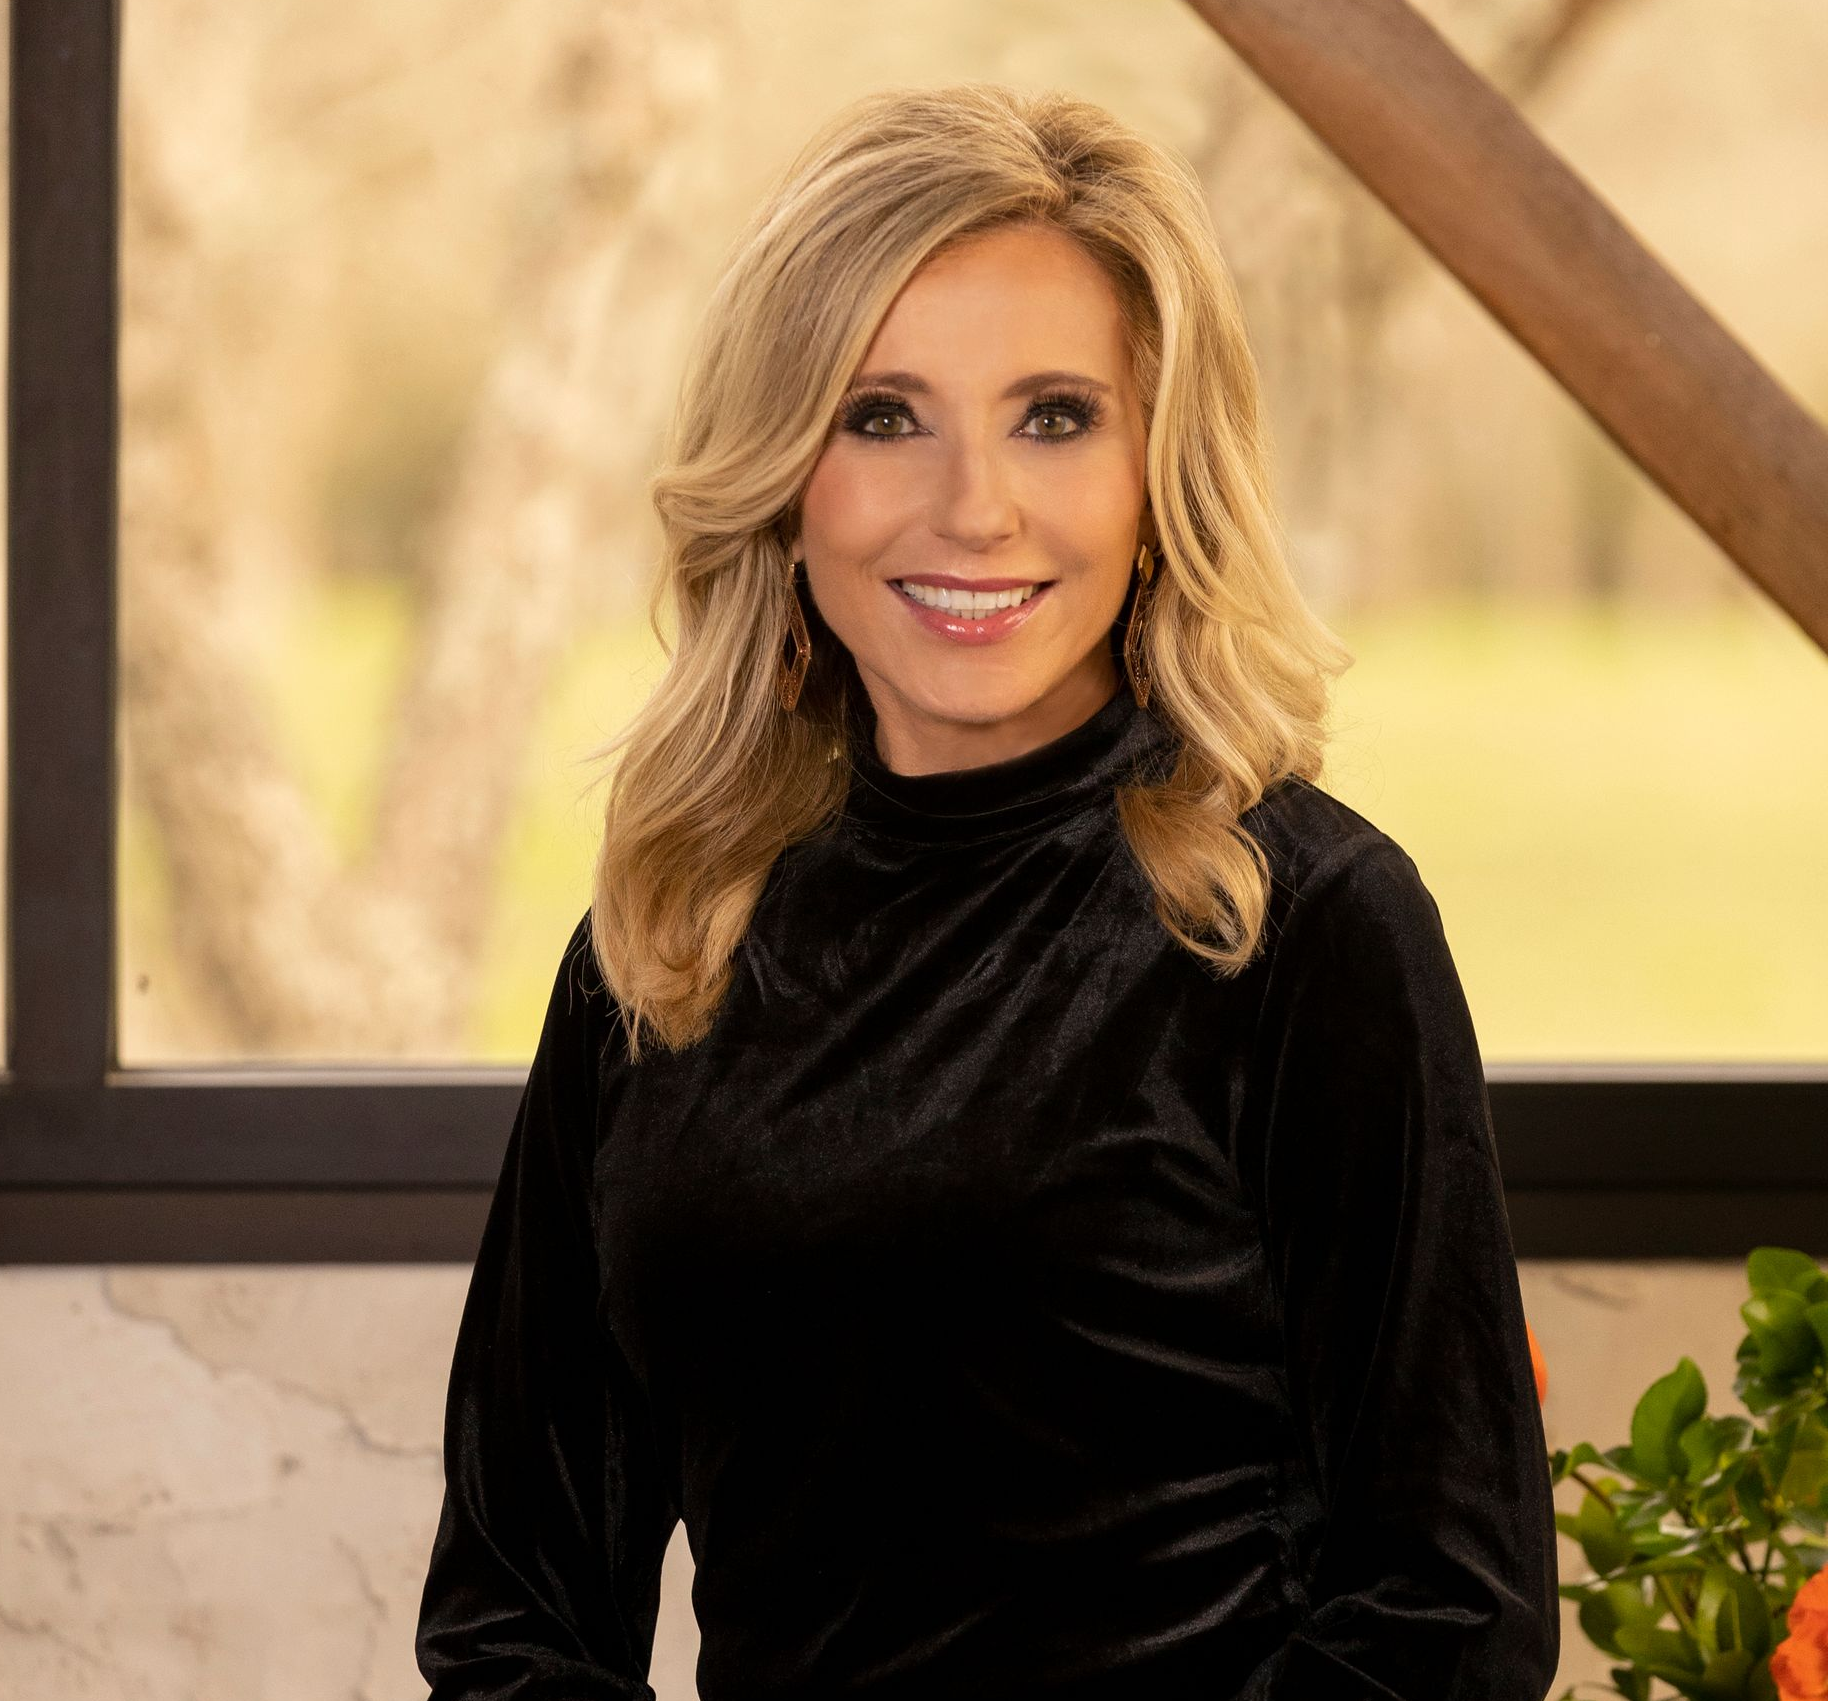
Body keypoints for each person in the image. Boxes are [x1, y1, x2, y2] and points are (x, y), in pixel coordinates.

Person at [414, 81, 1561, 1701]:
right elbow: (508, 1610)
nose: (975, 508)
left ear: (1162, 474)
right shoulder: (669, 941)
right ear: (785, 474)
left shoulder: (1305, 926)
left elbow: (1448, 1615)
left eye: (1055, 416)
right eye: (884, 416)